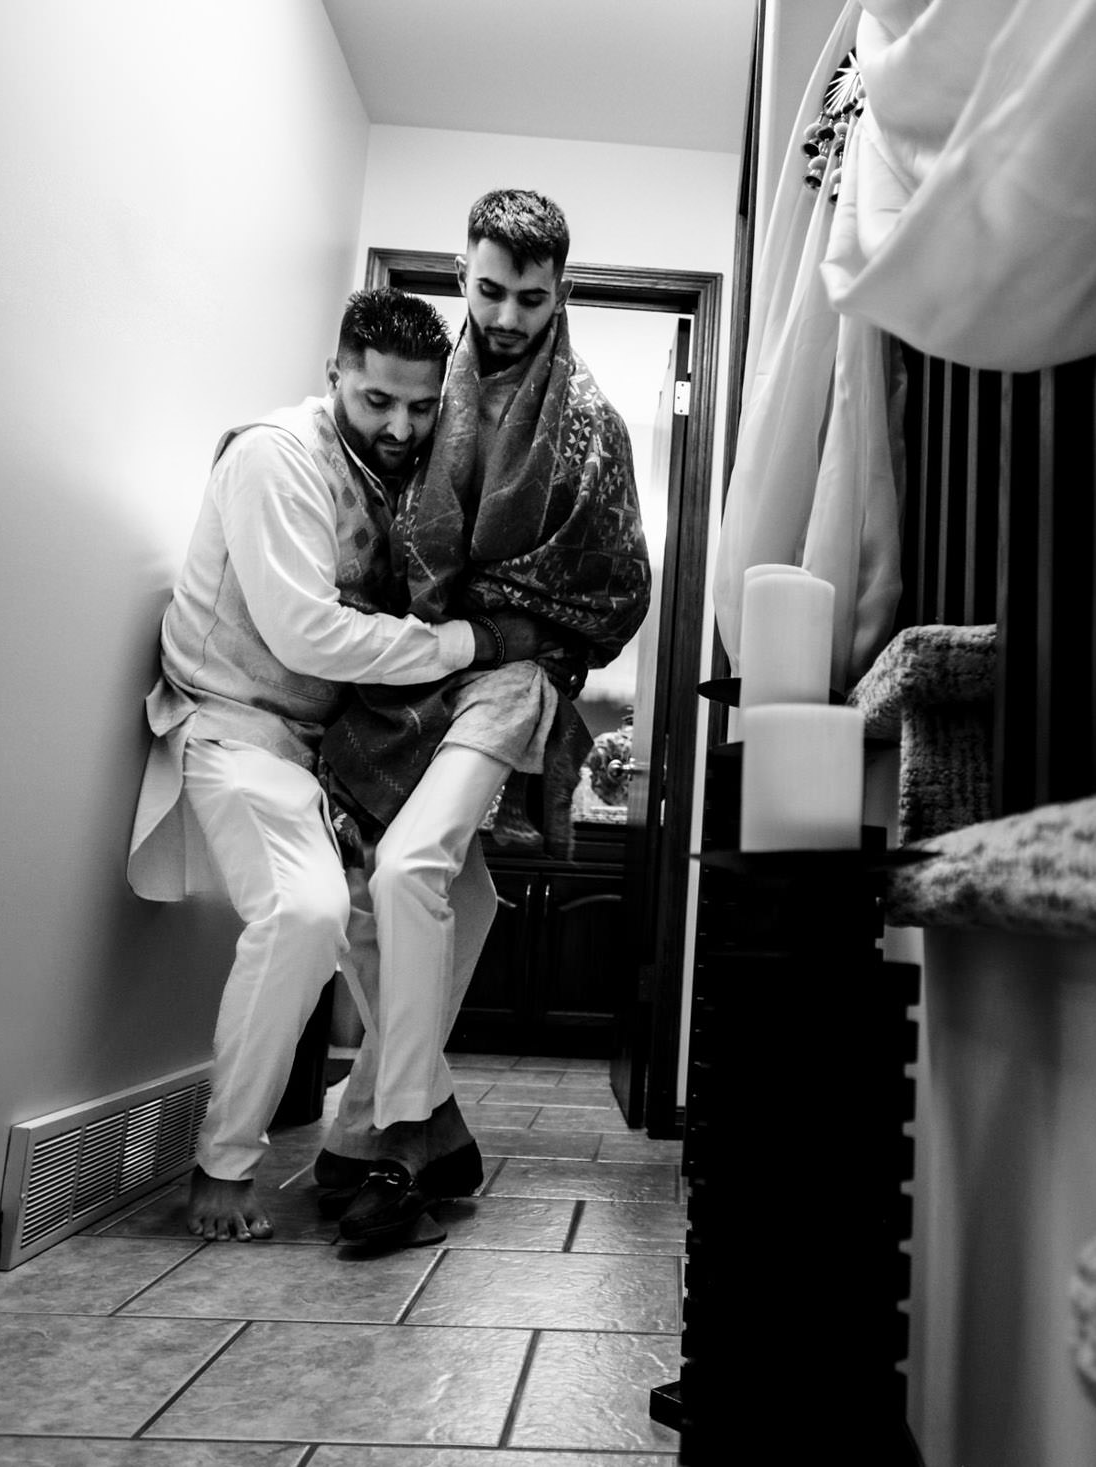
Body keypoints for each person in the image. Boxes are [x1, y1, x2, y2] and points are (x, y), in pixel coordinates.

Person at [125, 288, 553, 1241]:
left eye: (418, 404)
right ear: (335, 378)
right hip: (233, 730)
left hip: (335, 753)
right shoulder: (274, 458)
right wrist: (466, 645)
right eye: (375, 401)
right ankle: (224, 1164)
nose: (399, 425)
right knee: (309, 911)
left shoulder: (405, 475)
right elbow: (307, 632)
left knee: (459, 900)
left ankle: (379, 1132)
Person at [314, 189, 652, 1248]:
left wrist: (506, 636)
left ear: (563, 294)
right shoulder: (421, 390)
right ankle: (432, 1129)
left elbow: (617, 583)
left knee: (412, 869)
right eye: (489, 290)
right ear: (464, 276)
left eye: (531, 298)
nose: (506, 317)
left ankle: (396, 1142)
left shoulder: (592, 421)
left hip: (510, 673)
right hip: (408, 671)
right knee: (418, 897)